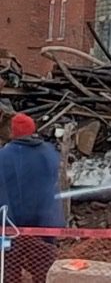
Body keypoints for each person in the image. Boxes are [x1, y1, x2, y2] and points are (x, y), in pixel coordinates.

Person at [0, 113, 62, 282]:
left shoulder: (5, 156)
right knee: (44, 270)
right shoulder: (49, 152)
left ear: (13, 132)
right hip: (45, 224)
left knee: (8, 270)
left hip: (11, 225)